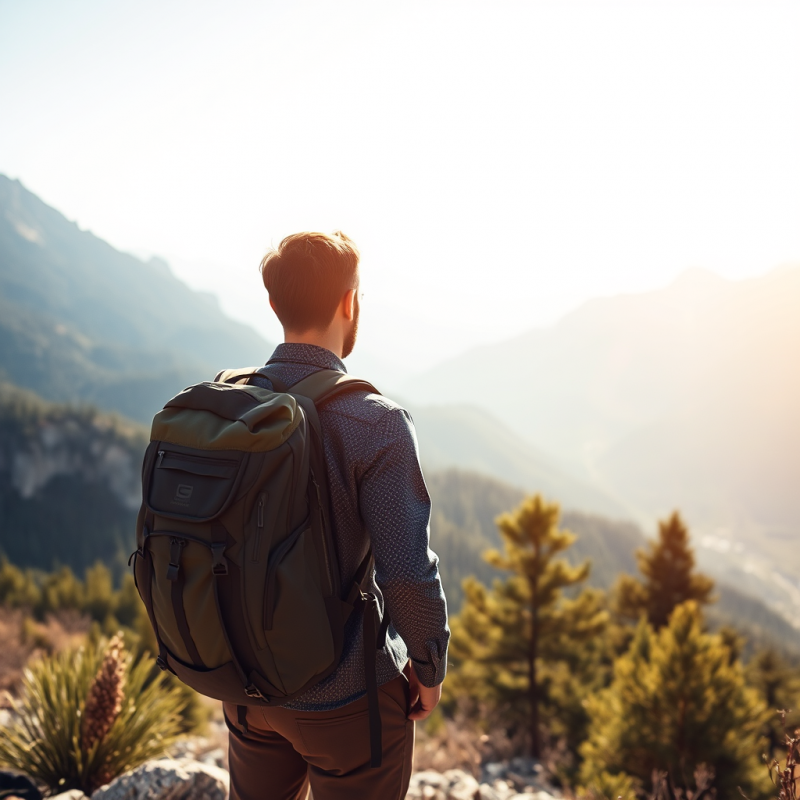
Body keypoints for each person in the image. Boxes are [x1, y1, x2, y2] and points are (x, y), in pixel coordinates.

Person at [222, 231, 450, 800]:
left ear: (274, 305)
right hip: (344, 697)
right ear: (350, 303)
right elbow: (406, 572)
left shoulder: (230, 406)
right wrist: (428, 665)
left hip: (246, 685)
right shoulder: (375, 422)